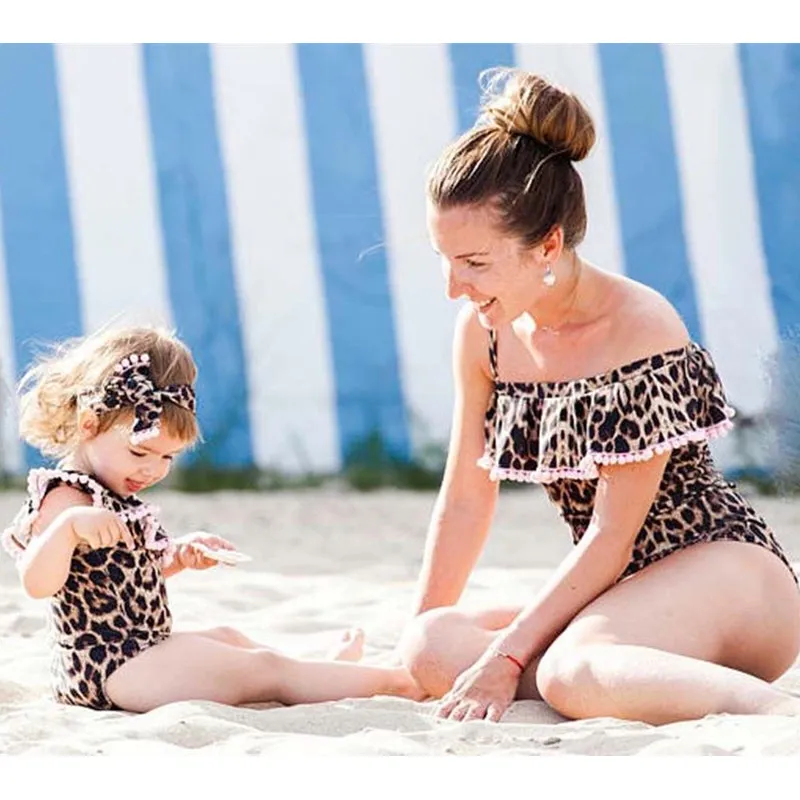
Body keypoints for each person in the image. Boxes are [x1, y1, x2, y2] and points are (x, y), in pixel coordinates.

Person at [396, 68, 800, 724]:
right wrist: (413, 654)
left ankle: (776, 716)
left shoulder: (639, 327)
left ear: (548, 244)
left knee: (568, 670)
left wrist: (505, 659)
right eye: (444, 259)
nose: (453, 286)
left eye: (474, 263)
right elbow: (466, 502)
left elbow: (615, 534)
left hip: (726, 575)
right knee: (431, 643)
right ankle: (624, 678)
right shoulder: (484, 331)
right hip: (614, 596)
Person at [2, 325, 421, 713]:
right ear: (89, 424)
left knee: (230, 639)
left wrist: (177, 557)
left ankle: (324, 674)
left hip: (139, 651)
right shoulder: (67, 496)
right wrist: (66, 527)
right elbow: (38, 582)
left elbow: (117, 583)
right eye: (140, 453)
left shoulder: (112, 493)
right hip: (110, 668)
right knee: (266, 669)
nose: (152, 470)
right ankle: (399, 682)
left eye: (167, 457)